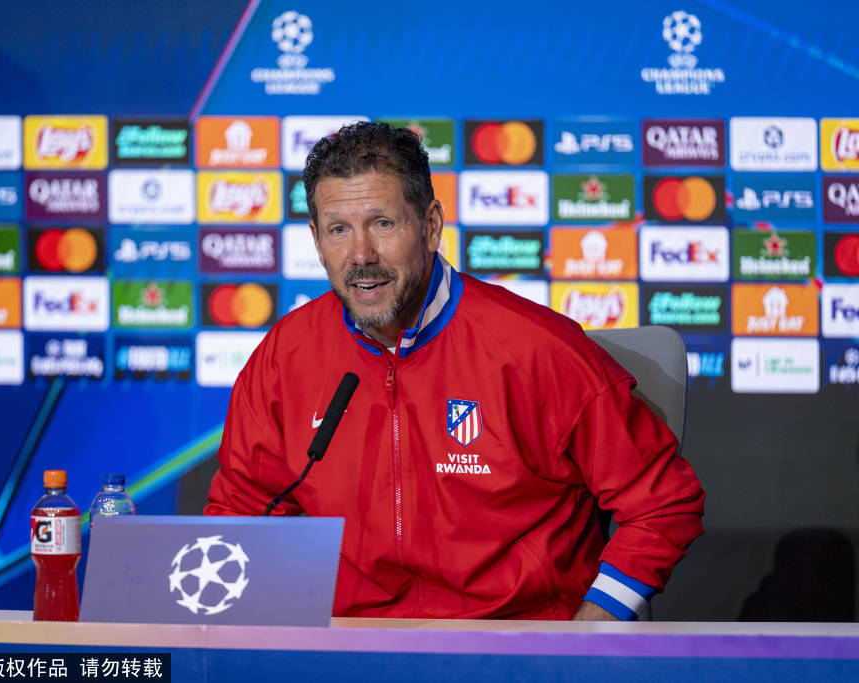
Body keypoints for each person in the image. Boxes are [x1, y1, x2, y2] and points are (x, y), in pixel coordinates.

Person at [204, 121, 705, 621]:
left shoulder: (535, 349)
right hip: (353, 643)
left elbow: (663, 503)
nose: (361, 255)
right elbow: (242, 513)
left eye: (383, 224)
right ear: (316, 240)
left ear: (431, 225)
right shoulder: (285, 356)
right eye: (339, 230)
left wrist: (589, 633)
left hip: (512, 643)